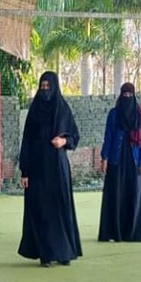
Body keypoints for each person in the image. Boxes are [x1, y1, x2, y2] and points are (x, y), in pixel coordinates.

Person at [18, 71, 82, 267]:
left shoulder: (62, 109)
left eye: (48, 87)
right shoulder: (35, 110)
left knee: (60, 208)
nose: (45, 90)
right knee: (41, 210)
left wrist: (63, 141)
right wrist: (25, 171)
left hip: (57, 168)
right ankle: (45, 254)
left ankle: (64, 252)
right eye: (42, 86)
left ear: (55, 87)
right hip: (37, 169)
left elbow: (75, 136)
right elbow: (27, 141)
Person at [98, 83, 141, 242]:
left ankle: (133, 232)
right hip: (116, 159)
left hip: (134, 159)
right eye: (124, 95)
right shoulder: (114, 115)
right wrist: (104, 158)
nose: (127, 98)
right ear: (120, 96)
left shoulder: (140, 116)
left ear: (133, 96)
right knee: (116, 194)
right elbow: (108, 137)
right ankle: (115, 232)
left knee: (133, 194)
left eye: (130, 95)